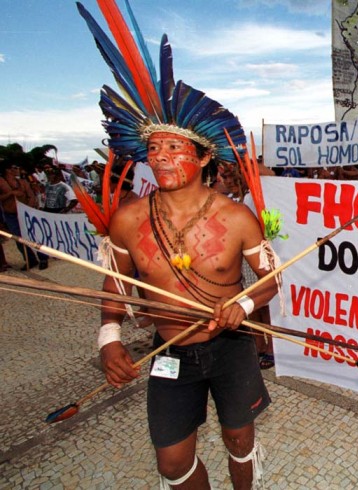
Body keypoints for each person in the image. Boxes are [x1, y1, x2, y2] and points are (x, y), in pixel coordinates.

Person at [78, 1, 279, 487]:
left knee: (239, 440)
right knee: (170, 461)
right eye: (152, 148)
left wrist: (246, 303)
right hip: (167, 352)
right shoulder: (127, 219)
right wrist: (108, 341)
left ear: (205, 155)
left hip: (231, 347)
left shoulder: (237, 217)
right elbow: (117, 288)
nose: (160, 157)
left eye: (174, 147)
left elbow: (272, 280)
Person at [0, 161, 48, 270]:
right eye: (15, 167)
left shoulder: (22, 182)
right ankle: (30, 260)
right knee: (18, 238)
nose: (17, 169)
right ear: (8, 170)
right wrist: (10, 194)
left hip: (26, 213)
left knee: (34, 235)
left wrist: (28, 209)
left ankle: (43, 257)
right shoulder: (1, 182)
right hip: (11, 215)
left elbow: (31, 195)